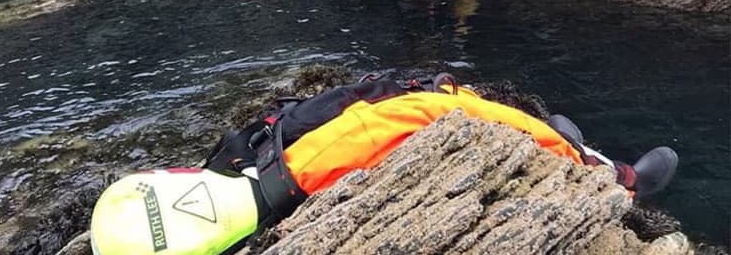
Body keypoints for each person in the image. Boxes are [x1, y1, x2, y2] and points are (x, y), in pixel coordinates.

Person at [90, 74, 678, 255]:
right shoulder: (302, 157)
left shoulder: (246, 157)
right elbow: (420, 113)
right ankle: (611, 173)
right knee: (482, 114)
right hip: (310, 163)